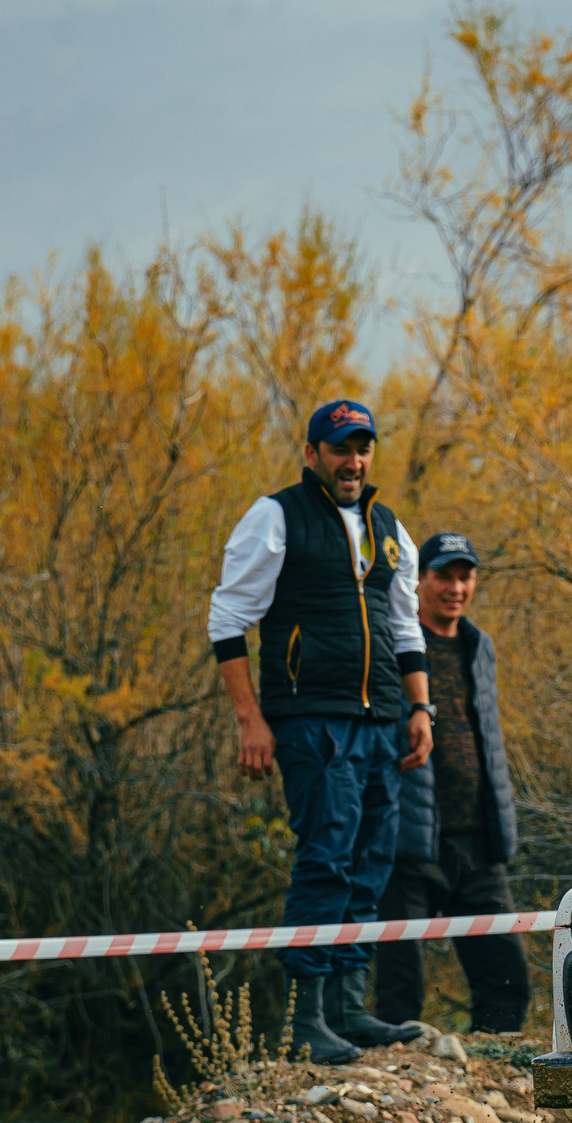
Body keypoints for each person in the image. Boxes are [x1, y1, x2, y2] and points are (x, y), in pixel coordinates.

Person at [208, 400, 434, 1066]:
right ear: (312, 454)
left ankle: (348, 1006)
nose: (353, 461)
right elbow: (228, 619)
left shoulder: (388, 526)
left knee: (371, 860)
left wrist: (421, 710)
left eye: (362, 448)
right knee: (325, 857)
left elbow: (404, 628)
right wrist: (251, 718)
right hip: (310, 716)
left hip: (382, 719)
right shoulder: (276, 516)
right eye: (340, 448)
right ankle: (306, 1015)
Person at [372, 533, 530, 1034]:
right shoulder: (393, 643)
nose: (455, 587)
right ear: (419, 580)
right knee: (401, 988)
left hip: (477, 840)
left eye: (465, 576)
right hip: (409, 838)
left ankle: (491, 1075)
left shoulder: (479, 644)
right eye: (444, 575)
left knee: (507, 978)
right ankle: (392, 1086)